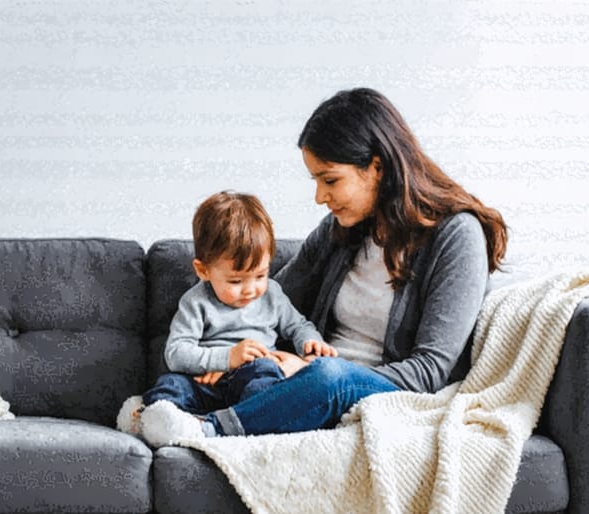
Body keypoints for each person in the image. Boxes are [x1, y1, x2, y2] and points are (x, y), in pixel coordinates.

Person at [139, 87, 508, 448]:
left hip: (371, 387)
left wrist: (310, 373)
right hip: (310, 381)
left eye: (330, 180)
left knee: (330, 375)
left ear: (376, 167)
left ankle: (208, 431)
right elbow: (268, 305)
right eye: (315, 181)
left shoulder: (457, 236)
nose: (319, 197)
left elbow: (428, 370)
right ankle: (166, 415)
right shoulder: (339, 231)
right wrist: (230, 358)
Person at [120, 191, 337, 437]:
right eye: (236, 280)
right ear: (203, 270)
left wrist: (311, 341)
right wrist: (228, 357)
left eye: (260, 275)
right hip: (205, 384)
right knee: (170, 386)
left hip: (252, 378)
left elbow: (298, 326)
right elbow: (176, 353)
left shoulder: (272, 295)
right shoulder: (196, 302)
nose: (250, 289)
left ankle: (240, 424)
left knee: (266, 375)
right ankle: (155, 421)